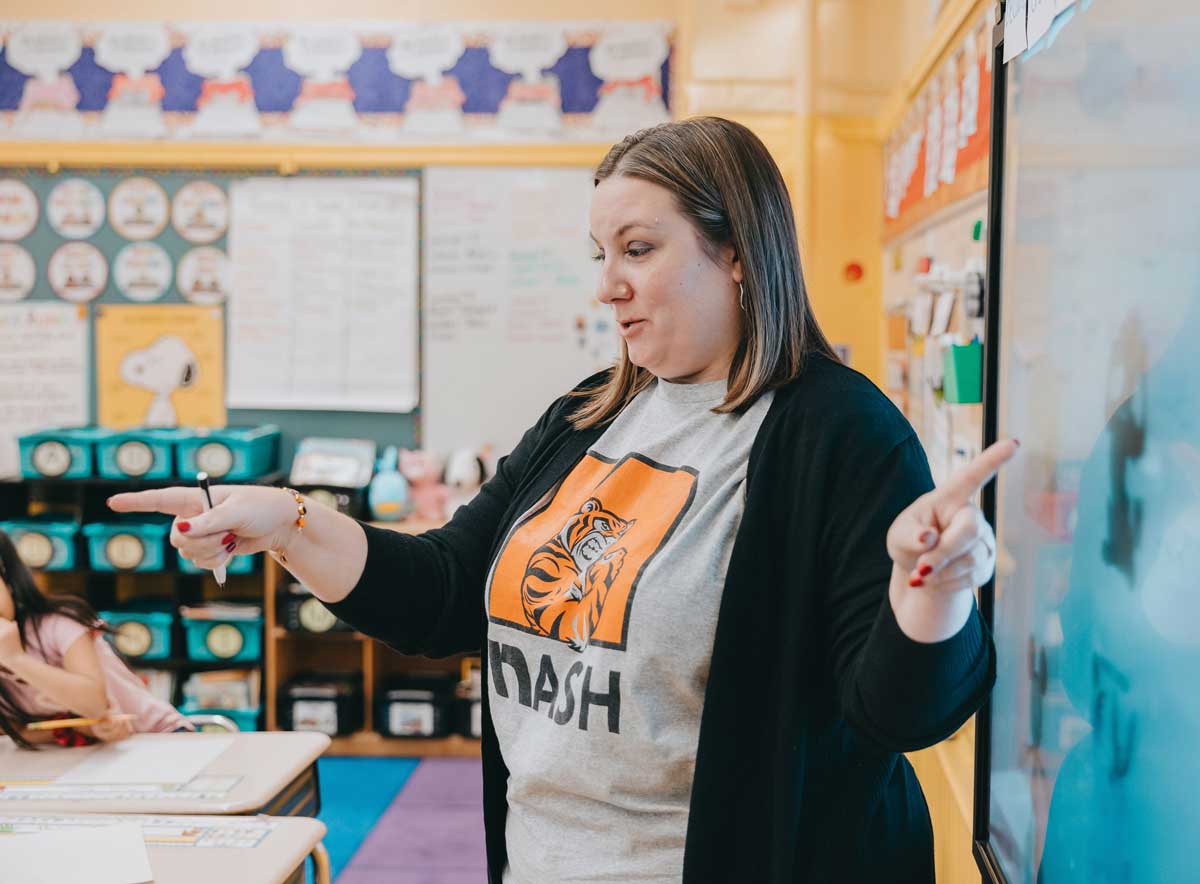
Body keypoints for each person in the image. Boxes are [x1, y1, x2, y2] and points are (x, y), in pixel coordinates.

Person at [110, 116, 1016, 883]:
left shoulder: (840, 432)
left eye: (639, 248)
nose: (607, 282)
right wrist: (289, 520)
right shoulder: (590, 414)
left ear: (736, 251)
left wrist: (931, 597)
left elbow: (898, 714)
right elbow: (445, 591)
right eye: (601, 253)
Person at [0, 530, 192, 747]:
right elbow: (17, 732)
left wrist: (15, 659)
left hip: (160, 737)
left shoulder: (58, 622)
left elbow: (94, 703)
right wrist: (80, 728)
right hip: (91, 758)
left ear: (9, 582)